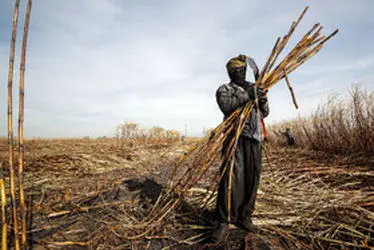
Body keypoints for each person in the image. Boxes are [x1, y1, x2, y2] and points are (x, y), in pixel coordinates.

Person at [212, 54, 269, 243]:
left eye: (243, 70)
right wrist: (247, 95)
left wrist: (261, 98)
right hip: (234, 138)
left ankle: (245, 217)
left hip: (254, 138)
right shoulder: (225, 89)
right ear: (230, 73)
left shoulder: (252, 87)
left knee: (252, 178)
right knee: (231, 178)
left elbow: (265, 113)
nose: (240, 74)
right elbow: (226, 106)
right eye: (236, 71)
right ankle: (223, 220)